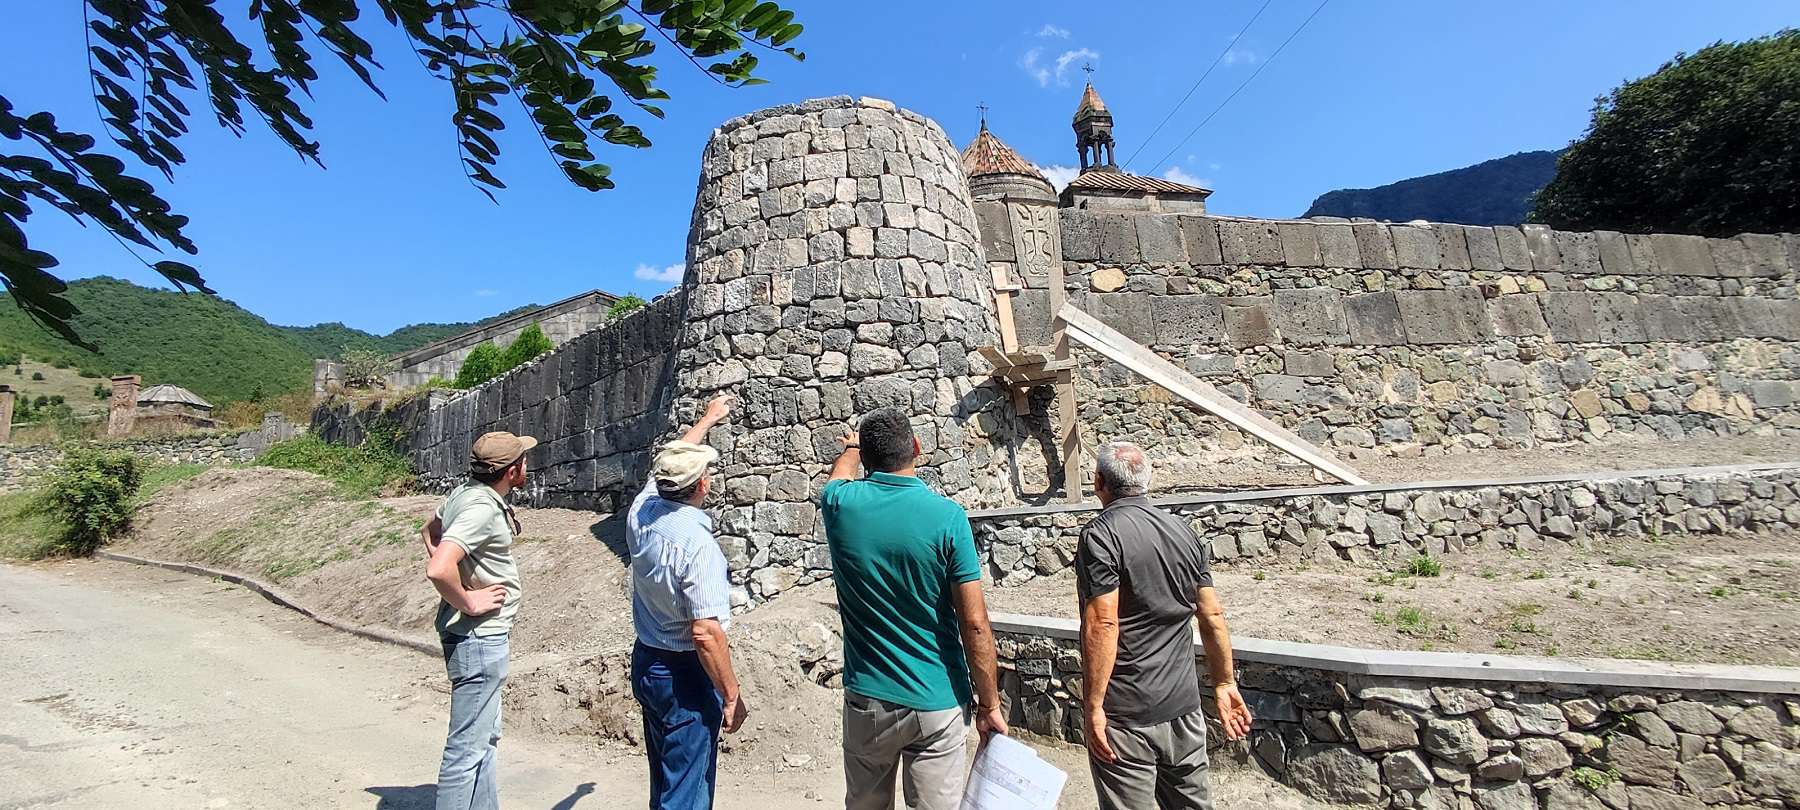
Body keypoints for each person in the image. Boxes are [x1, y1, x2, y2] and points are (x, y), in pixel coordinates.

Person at [820, 407, 1008, 810]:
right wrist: (989, 704)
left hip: (868, 698)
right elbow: (974, 623)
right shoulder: (948, 518)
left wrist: (852, 448)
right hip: (937, 699)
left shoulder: (839, 506)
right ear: (917, 448)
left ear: (866, 459)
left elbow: (839, 476)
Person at [1077, 441, 1254, 810]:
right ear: (1147, 481)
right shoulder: (1183, 531)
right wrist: (1224, 682)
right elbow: (1212, 614)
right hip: (1183, 707)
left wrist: (1093, 706)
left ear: (1099, 482)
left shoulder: (1100, 536)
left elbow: (1104, 623)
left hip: (1126, 716)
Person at [627, 394, 747, 810]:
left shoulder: (642, 512)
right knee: (686, 793)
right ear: (702, 486)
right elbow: (706, 632)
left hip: (649, 660)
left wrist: (707, 419)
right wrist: (730, 693)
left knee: (666, 779)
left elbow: (669, 462)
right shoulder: (698, 547)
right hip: (685, 674)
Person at [422, 430, 536, 810]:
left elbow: (430, 532)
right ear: (512, 471)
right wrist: (468, 599)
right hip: (479, 638)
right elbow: (439, 568)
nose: (528, 464)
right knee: (466, 751)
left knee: (484, 739)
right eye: (523, 459)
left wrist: (464, 575)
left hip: (477, 637)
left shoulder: (464, 494)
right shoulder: (482, 508)